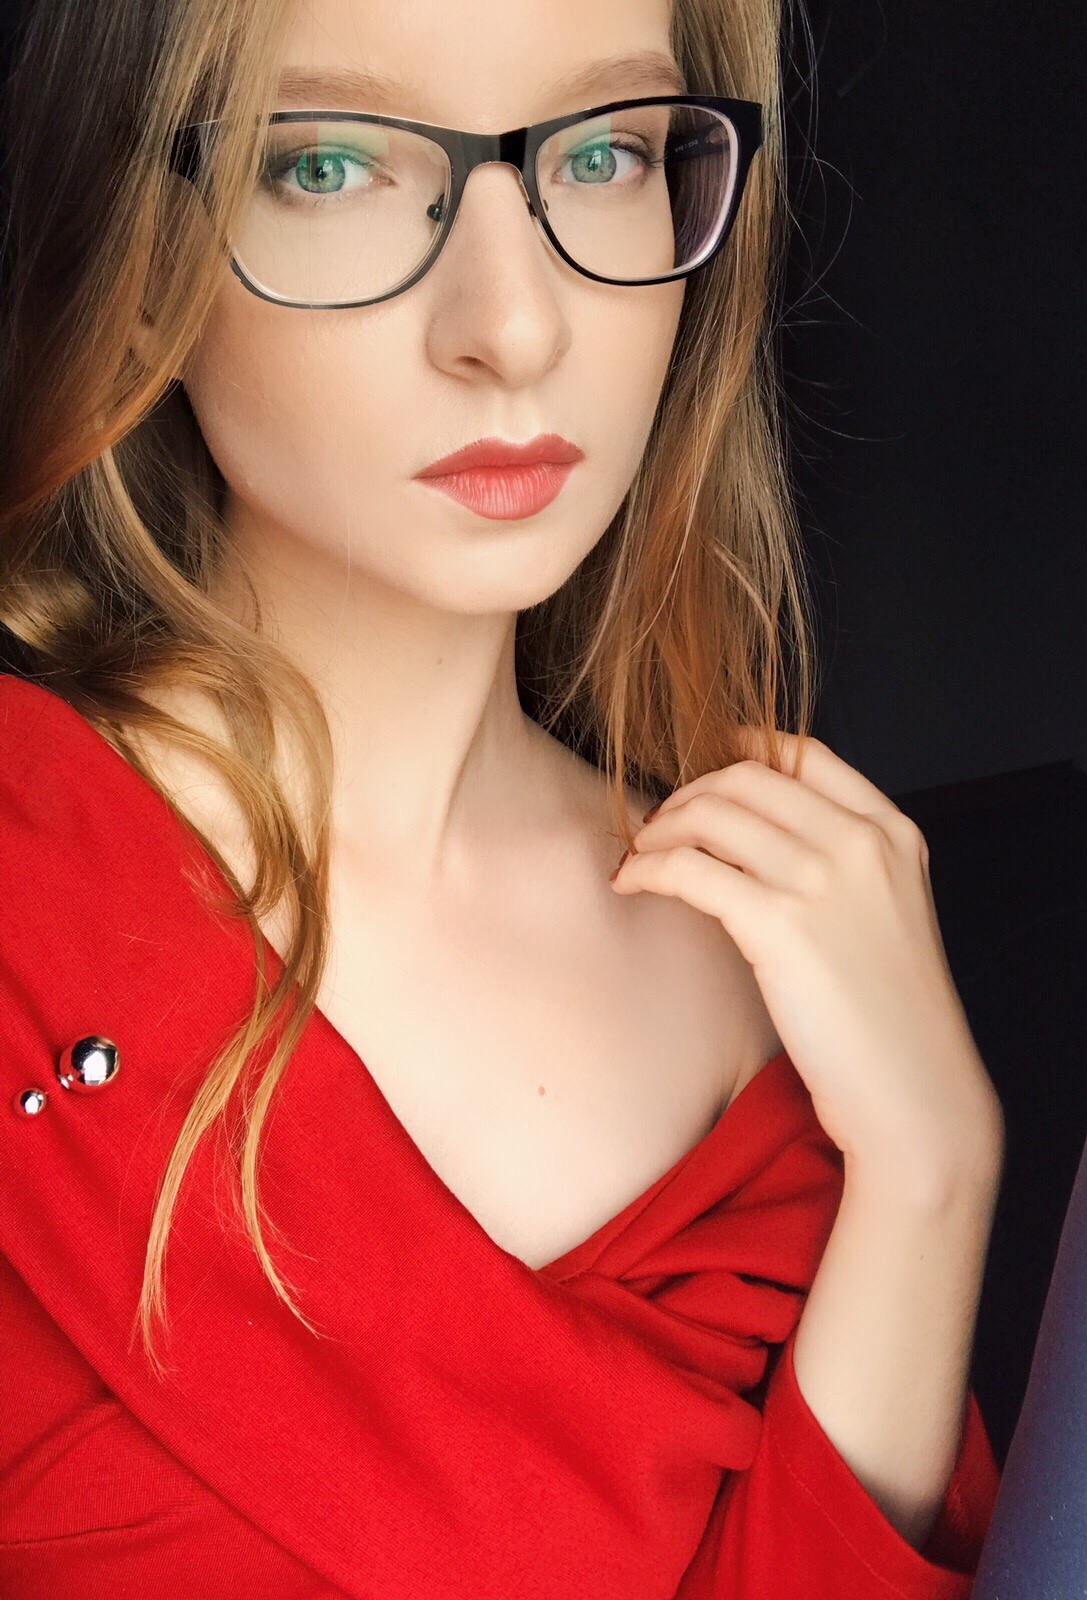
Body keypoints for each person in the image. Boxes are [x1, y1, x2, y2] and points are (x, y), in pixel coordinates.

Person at [0, 0, 1005, 1593]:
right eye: (328, 165)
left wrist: (934, 1170)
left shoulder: (776, 989)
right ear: (134, 273)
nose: (515, 326)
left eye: (603, 155)